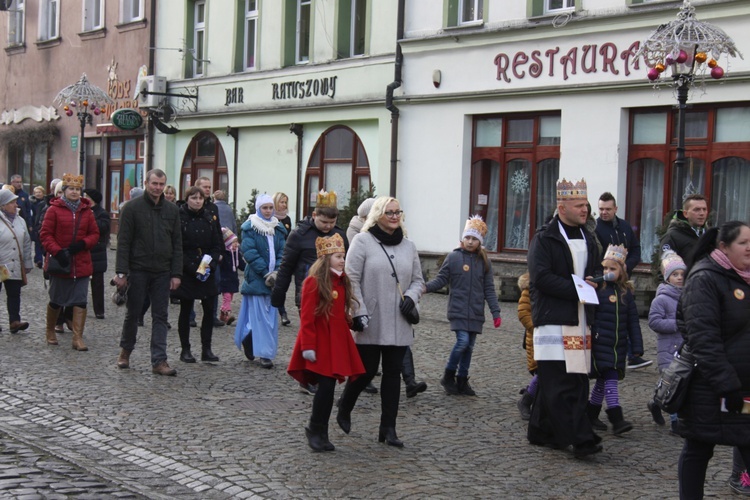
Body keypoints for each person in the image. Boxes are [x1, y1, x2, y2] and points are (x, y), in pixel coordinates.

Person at [336, 196, 424, 448]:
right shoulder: (362, 242)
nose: (395, 216)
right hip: (371, 319)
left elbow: (418, 280)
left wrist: (411, 296)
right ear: (378, 214)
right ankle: (345, 405)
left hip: (398, 319)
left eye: (398, 212)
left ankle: (388, 427)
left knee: (393, 374)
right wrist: (359, 310)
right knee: (365, 370)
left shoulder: (409, 246)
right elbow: (350, 278)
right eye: (390, 212)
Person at [526, 178, 603, 458]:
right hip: (554, 318)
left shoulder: (589, 237)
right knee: (561, 381)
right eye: (579, 205)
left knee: (575, 377)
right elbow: (542, 278)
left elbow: (594, 270)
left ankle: (541, 430)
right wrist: (579, 288)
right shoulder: (544, 238)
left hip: (581, 317)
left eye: (586, 205)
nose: (585, 210)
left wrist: (597, 281)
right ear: (562, 206)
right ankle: (581, 439)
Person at [676, 220, 750, 499]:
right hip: (710, 387)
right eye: (743, 243)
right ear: (723, 247)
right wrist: (726, 384)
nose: (749, 248)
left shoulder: (745, 277)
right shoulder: (704, 278)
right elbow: (703, 338)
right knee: (698, 447)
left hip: (744, 388)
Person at [287, 233, 366, 452]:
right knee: (326, 388)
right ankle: (315, 428)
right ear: (325, 258)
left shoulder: (341, 280)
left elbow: (339, 311)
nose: (342, 260)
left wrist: (352, 322)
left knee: (330, 389)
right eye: (338, 256)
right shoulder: (314, 282)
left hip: (337, 340)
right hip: (321, 342)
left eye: (343, 256)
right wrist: (308, 346)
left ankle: (321, 431)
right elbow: (308, 317)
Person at [271, 190, 348, 394]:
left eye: (332, 222)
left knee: (328, 337)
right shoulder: (298, 235)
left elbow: (346, 267)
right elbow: (286, 266)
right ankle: (307, 378)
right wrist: (279, 294)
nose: (328, 226)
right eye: (324, 222)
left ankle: (321, 373)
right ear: (314, 216)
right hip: (307, 293)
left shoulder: (339, 235)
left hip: (334, 295)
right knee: (311, 333)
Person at [113, 169, 182, 376]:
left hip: (162, 271)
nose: (158, 188)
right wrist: (121, 272)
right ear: (146, 182)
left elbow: (177, 243)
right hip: (138, 269)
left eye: (161, 184)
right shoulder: (132, 208)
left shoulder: (172, 210)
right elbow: (123, 242)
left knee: (160, 316)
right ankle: (125, 351)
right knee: (133, 313)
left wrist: (176, 273)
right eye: (154, 184)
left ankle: (159, 360)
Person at [424, 215, 502, 396]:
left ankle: (462, 380)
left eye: (474, 239)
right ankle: (448, 376)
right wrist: (424, 288)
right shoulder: (453, 258)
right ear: (462, 239)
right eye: (467, 237)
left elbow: (489, 289)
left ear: (480, 242)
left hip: (475, 312)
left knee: (470, 347)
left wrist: (495, 312)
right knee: (462, 342)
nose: (470, 241)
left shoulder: (484, 262)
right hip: (458, 310)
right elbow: (441, 279)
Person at [587, 244, 643, 435]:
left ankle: (591, 414)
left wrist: (637, 347)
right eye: (605, 268)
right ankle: (616, 418)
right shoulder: (599, 290)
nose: (608, 272)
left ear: (622, 271)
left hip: (618, 346)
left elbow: (633, 322)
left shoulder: (626, 294)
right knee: (610, 378)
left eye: (613, 268)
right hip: (601, 343)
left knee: (603, 381)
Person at [39, 174, 99, 350]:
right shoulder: (53, 210)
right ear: (64, 191)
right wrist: (57, 251)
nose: (74, 192)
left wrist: (83, 243)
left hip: (81, 261)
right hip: (61, 261)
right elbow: (45, 234)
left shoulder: (87, 211)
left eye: (77, 189)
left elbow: (94, 234)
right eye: (71, 189)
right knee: (57, 299)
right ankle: (50, 330)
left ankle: (77, 337)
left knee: (80, 299)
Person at [595, 192, 649, 370]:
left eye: (608, 209)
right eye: (601, 209)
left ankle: (634, 354)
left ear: (615, 209)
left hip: (625, 279)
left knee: (628, 316)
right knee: (613, 317)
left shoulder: (625, 226)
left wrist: (628, 266)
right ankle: (618, 354)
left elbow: (635, 248)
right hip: (606, 281)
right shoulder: (596, 230)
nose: (604, 213)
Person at [234, 193, 286, 369]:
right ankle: (263, 353)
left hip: (274, 279)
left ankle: (253, 340)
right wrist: (265, 273)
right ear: (258, 208)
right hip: (257, 278)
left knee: (271, 317)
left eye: (271, 207)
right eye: (265, 208)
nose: (268, 211)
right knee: (260, 317)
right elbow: (250, 252)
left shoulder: (278, 228)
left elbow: (282, 251)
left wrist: (277, 271)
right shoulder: (250, 227)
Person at [171, 186, 223, 363]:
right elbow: (177, 246)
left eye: (200, 198)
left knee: (209, 310)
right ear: (187, 199)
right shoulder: (180, 217)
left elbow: (217, 243)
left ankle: (206, 349)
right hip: (188, 269)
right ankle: (185, 349)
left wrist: (212, 263)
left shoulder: (209, 216)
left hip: (207, 266)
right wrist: (192, 267)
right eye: (194, 198)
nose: (198, 201)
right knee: (186, 310)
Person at [647, 250, 687, 433]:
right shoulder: (661, 299)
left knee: (678, 383)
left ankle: (655, 402)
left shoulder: (688, 297)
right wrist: (677, 324)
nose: (679, 278)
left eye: (682, 275)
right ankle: (676, 422)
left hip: (684, 348)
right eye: (675, 275)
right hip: (668, 348)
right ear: (667, 277)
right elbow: (654, 321)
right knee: (672, 384)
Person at [0, 189, 32, 333]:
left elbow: (26, 243)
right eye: (11, 202)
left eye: (15, 201)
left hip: (15, 264)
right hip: (1, 263)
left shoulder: (21, 220)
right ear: (2, 205)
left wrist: (27, 263)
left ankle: (15, 321)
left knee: (14, 293)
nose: (15, 204)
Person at [195, 177, 225, 328]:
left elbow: (218, 230)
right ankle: (190, 316)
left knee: (214, 284)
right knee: (193, 284)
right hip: (196, 253)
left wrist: (220, 251)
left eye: (209, 187)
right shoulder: (193, 205)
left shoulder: (213, 208)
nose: (207, 189)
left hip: (210, 254)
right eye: (204, 187)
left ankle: (211, 316)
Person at [83, 189, 110, 320]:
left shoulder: (102, 213)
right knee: (81, 283)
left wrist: (92, 217)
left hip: (98, 252)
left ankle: (99, 310)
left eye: (86, 197)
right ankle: (79, 308)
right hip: (84, 250)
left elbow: (103, 228)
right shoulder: (82, 210)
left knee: (97, 283)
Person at [214, 190, 239, 326]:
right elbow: (233, 225)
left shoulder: (214, 207)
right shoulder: (229, 209)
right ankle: (225, 311)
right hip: (230, 240)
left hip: (223, 241)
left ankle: (224, 311)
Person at [660, 193, 709, 261]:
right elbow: (667, 265)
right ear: (685, 214)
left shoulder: (709, 235)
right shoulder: (672, 236)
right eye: (697, 209)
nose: (702, 213)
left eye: (704, 209)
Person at [516, 271, 537, 420]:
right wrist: (535, 329)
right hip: (536, 337)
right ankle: (526, 399)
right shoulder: (530, 287)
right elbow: (523, 312)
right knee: (541, 371)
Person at [273, 191, 293, 327]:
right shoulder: (270, 217)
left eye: (285, 202)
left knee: (280, 285)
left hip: (282, 255)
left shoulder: (287, 219)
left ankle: (282, 312)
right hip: (270, 254)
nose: (283, 204)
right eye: (281, 202)